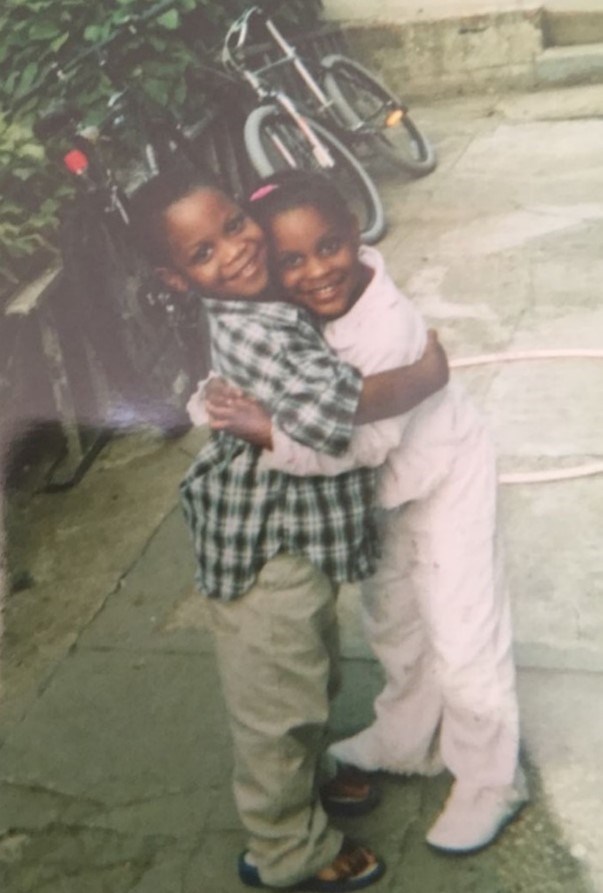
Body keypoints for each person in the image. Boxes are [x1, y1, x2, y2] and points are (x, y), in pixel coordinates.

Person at [129, 165, 449, 891]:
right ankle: (286, 847)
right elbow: (339, 406)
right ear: (178, 279)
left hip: (290, 540)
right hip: (263, 550)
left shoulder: (264, 299)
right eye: (203, 253)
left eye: (234, 226)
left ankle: (308, 776)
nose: (235, 251)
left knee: (309, 671)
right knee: (277, 702)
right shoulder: (259, 329)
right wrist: (424, 376)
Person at [203, 170, 529, 856]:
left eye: (329, 247)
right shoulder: (280, 309)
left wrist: (268, 434)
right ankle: (406, 737)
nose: (317, 271)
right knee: (395, 622)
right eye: (291, 259)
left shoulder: (384, 327)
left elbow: (360, 442)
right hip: (384, 496)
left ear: (356, 233)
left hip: (442, 478)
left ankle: (490, 777)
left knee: (464, 628)